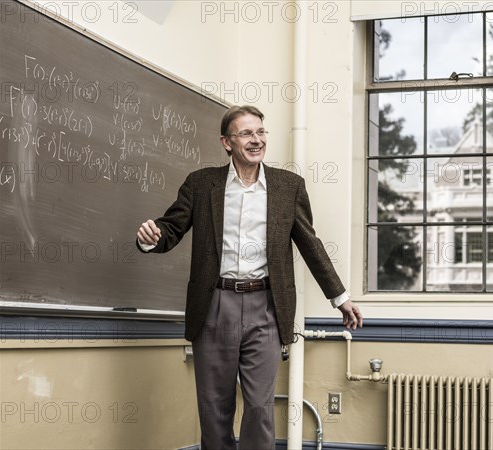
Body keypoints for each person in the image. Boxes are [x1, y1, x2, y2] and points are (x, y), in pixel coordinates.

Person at [136, 105, 363, 450]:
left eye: (260, 132)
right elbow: (171, 229)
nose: (256, 140)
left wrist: (340, 298)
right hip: (214, 304)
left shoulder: (289, 186)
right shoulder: (201, 183)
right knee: (214, 406)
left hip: (266, 307)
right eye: (246, 133)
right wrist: (149, 239)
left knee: (259, 407)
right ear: (226, 142)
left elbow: (310, 244)